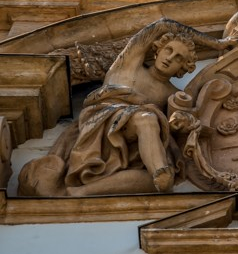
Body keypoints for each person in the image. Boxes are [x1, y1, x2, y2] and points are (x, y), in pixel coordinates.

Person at [64, 18, 196, 195]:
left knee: (159, 183)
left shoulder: (172, 94)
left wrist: (181, 121)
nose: (170, 58)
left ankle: (83, 192)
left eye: (178, 58)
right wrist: (218, 44)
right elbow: (160, 25)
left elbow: (175, 128)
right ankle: (159, 169)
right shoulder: (129, 64)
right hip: (102, 122)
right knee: (147, 118)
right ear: (158, 50)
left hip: (135, 141)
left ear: (183, 68)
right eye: (168, 50)